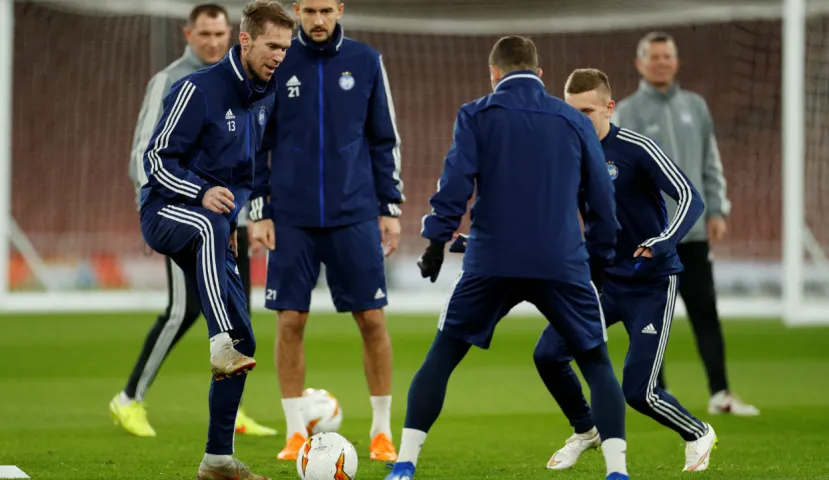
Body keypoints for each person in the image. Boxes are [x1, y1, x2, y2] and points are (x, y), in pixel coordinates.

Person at [384, 36, 628, 480]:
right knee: (596, 362)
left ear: (493, 75)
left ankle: (404, 463)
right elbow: (602, 200)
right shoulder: (572, 121)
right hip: (562, 262)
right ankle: (617, 471)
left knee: (442, 357)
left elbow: (455, 184)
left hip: (492, 260)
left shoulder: (476, 114)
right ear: (539, 75)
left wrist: (436, 243)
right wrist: (597, 261)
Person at [137, 1, 294, 477]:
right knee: (209, 227)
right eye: (272, 46)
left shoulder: (268, 96)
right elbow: (157, 161)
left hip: (214, 223)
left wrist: (246, 211)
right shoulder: (196, 89)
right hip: (165, 211)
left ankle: (217, 459)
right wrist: (203, 193)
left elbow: (253, 169)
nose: (280, 57)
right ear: (244, 40)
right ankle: (217, 343)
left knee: (246, 337)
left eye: (286, 48)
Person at [535, 68, 717, 473]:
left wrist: (664, 240)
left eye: (587, 111)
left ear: (609, 108)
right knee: (548, 354)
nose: (578, 120)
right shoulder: (565, 154)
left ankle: (697, 432)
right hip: (600, 283)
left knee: (640, 392)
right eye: (571, 111)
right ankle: (586, 431)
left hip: (651, 283)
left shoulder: (636, 149)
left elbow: (690, 196)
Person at [249, 0, 403, 462]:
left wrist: (389, 206)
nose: (318, 20)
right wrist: (259, 208)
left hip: (354, 212)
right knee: (290, 321)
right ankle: (295, 433)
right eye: (309, 10)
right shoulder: (278, 61)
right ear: (296, 10)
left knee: (372, 320)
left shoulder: (366, 61)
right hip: (291, 216)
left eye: (326, 10)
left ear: (341, 9)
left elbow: (384, 138)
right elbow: (258, 141)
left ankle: (381, 431)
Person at [612, 31, 758, 416]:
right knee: (648, 315)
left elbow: (711, 161)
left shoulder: (696, 106)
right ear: (640, 64)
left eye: (667, 56)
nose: (661, 62)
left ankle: (720, 393)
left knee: (705, 312)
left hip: (690, 234)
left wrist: (717, 209)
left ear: (676, 62)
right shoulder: (626, 112)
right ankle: (654, 391)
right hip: (650, 237)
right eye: (654, 56)